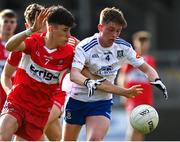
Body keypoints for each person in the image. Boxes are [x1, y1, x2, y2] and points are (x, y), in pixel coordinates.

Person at [62, 7, 168, 141]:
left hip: (101, 102)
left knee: (94, 139)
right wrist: (89, 82)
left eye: (118, 31)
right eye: (111, 30)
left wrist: (156, 79)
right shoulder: (85, 46)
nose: (115, 35)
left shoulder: (124, 47)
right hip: (77, 99)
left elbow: (147, 68)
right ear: (100, 27)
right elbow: (74, 75)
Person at [0, 5, 75, 141]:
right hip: (22, 98)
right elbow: (5, 75)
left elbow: (84, 63)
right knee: (6, 132)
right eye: (36, 24)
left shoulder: (67, 45)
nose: (41, 28)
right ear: (28, 25)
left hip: (50, 99)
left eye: (43, 23)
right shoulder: (27, 44)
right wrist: (9, 91)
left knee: (53, 136)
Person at [118, 31, 157, 141]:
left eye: (145, 41)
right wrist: (123, 94)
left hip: (146, 99)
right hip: (133, 98)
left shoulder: (150, 59)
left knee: (143, 127)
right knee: (134, 125)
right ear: (135, 42)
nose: (142, 44)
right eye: (140, 41)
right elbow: (122, 77)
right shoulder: (131, 58)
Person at [0, 9, 17, 112]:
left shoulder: (22, 45)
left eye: (12, 22)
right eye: (5, 21)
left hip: (14, 93)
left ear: (16, 24)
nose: (8, 25)